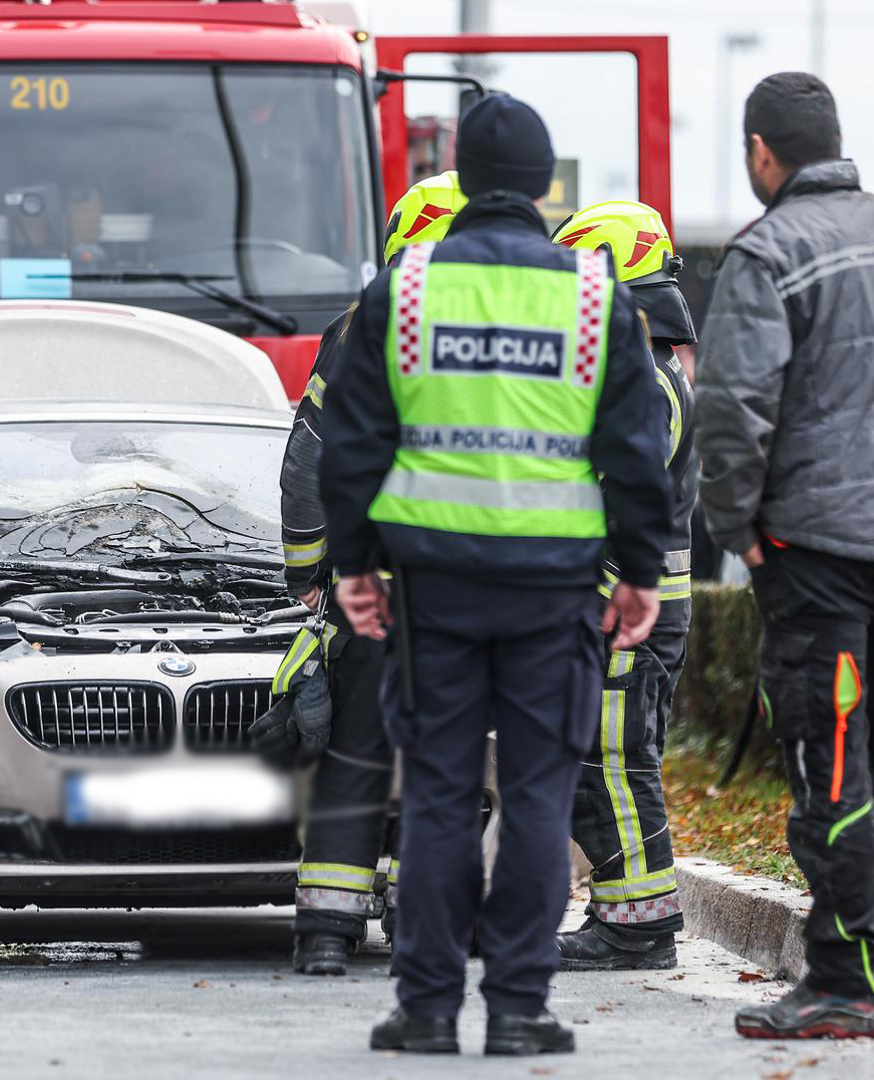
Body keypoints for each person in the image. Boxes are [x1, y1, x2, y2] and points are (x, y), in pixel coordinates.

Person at [320, 94, 674, 1056]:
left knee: (435, 796)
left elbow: (351, 444)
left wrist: (351, 565)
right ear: (543, 186)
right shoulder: (596, 296)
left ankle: (428, 1009)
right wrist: (638, 571)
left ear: (465, 182)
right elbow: (637, 453)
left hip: (428, 589)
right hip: (551, 594)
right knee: (534, 798)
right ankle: (518, 1009)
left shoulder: (405, 291)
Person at [695, 72, 874, 1040]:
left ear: (761, 153)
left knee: (830, 752)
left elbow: (734, 410)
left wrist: (734, 523)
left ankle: (845, 977)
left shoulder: (766, 252)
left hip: (812, 544)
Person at [261, 171, 469, 978]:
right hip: (472, 580)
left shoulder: (363, 326)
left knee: (354, 749)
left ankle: (324, 934)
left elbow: (309, 457)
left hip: (374, 579)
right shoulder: (518, 325)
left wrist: (308, 572)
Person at [549, 201, 697, 971]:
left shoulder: (641, 369)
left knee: (612, 762)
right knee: (599, 761)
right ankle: (625, 914)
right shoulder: (645, 359)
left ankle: (638, 929)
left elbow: (614, 491)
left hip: (626, 614)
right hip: (626, 609)